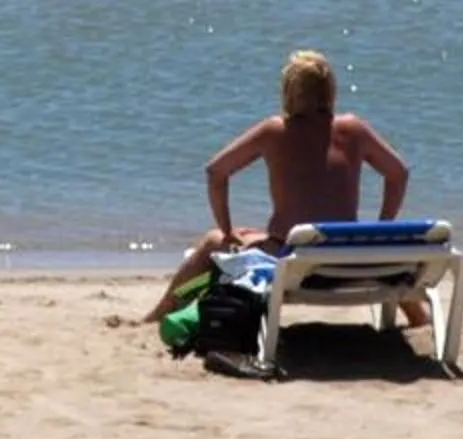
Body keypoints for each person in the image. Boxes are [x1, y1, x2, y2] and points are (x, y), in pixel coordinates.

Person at [144, 48, 418, 322]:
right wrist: (382, 226)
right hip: (341, 259)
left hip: (291, 261)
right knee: (376, 260)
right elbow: (399, 174)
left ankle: (160, 313)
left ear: (289, 90)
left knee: (212, 242)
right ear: (330, 91)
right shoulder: (354, 128)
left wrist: (228, 231)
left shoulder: (275, 131)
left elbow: (216, 172)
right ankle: (419, 317)